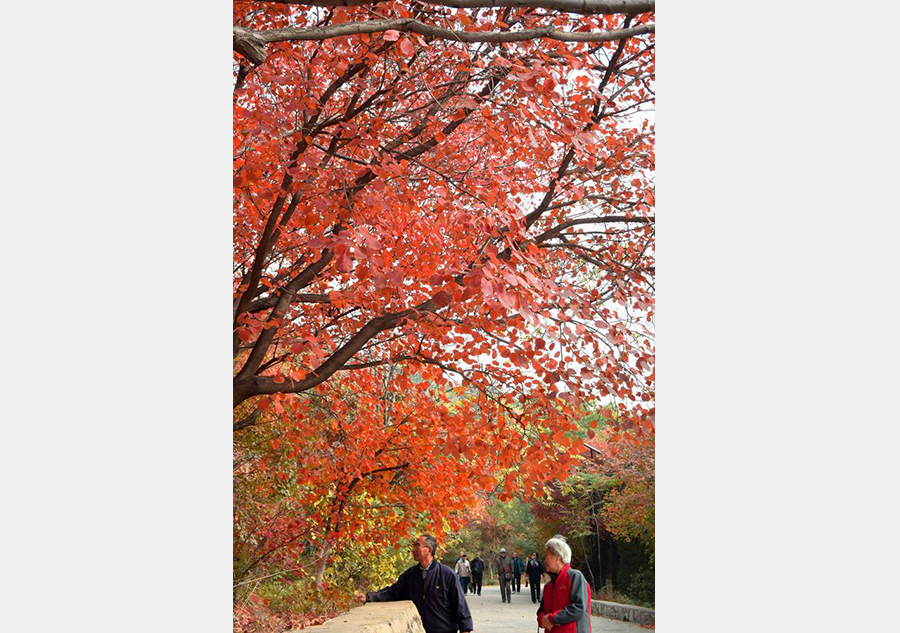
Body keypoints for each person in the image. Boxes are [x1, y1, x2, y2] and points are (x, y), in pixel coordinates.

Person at [362, 534, 473, 633]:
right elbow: (392, 592)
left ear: (429, 550)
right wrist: (369, 597)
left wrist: (465, 629)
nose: (413, 549)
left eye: (417, 546)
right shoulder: (409, 575)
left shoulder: (447, 574)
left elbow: (460, 605)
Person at [536, 535, 591, 633]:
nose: (545, 560)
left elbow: (579, 607)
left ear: (557, 557)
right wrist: (542, 619)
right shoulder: (548, 586)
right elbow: (541, 612)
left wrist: (552, 619)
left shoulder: (575, 577)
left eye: (547, 555)